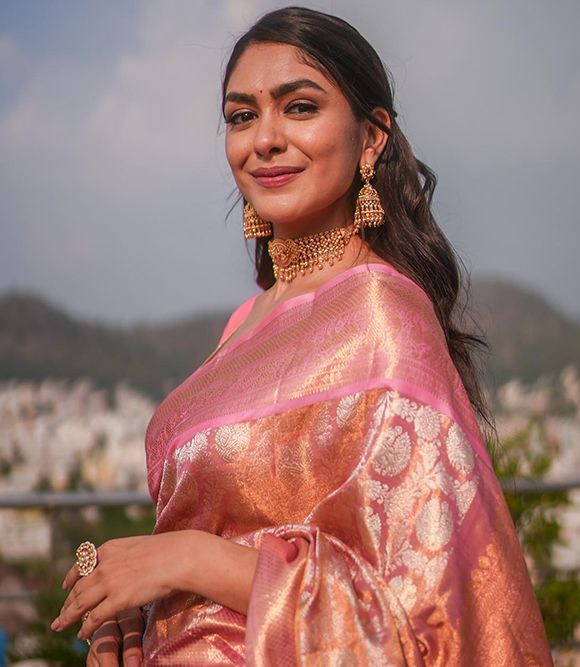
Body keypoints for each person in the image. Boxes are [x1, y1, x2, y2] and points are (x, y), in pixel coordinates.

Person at [50, 7, 552, 665]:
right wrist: (138, 607)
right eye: (241, 116)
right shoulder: (245, 324)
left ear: (371, 138)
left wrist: (187, 558)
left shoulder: (382, 317)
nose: (265, 139)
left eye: (301, 107)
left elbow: (422, 623)